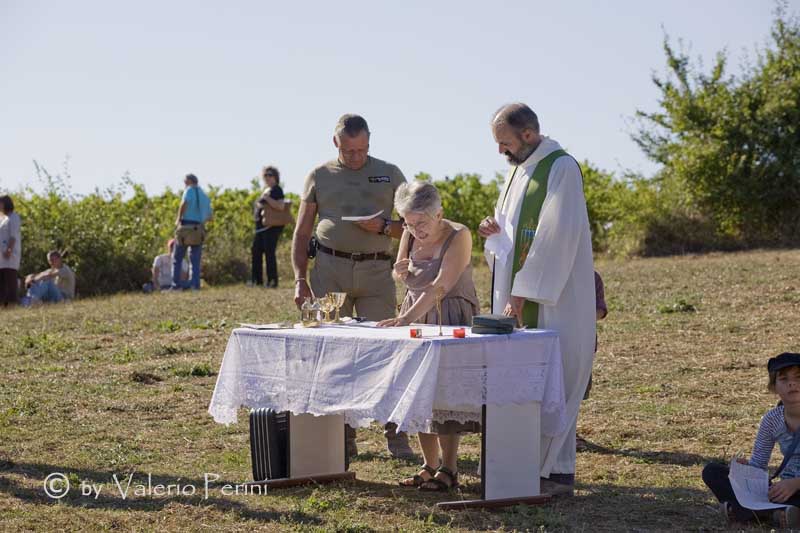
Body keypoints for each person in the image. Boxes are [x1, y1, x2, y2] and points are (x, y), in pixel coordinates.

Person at [478, 103, 596, 497]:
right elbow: (512, 237)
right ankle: (525, 467)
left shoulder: (561, 168)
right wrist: (492, 231)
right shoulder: (516, 170)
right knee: (522, 379)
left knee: (556, 379)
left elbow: (554, 239)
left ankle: (557, 472)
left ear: (527, 135)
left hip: (553, 300)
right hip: (517, 292)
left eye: (505, 142)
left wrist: (522, 292)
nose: (501, 152)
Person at [291, 113, 413, 459]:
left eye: (362, 150)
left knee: (387, 351)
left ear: (370, 142)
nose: (356, 157)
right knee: (333, 354)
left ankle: (396, 435)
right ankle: (341, 436)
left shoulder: (390, 173)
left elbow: (413, 226)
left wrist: (385, 226)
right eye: (349, 151)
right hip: (329, 271)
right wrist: (300, 279)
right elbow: (301, 232)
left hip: (377, 273)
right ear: (336, 144)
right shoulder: (319, 176)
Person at [377, 180, 480, 491]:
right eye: (408, 223)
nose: (414, 230)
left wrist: (406, 318)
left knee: (446, 394)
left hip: (448, 317)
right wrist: (401, 271)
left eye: (420, 223)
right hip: (415, 315)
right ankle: (428, 465)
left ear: (439, 214)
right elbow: (404, 274)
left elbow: (441, 285)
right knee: (418, 392)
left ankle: (449, 468)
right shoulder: (409, 231)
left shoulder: (459, 235)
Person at [702, 352, 800, 528]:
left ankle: (746, 512)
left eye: (798, 378)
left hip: (795, 487)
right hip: (780, 490)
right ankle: (778, 513)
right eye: (784, 379)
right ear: (774, 387)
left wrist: (795, 483)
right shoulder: (771, 420)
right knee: (712, 471)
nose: (791, 384)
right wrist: (744, 471)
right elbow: (759, 464)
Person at [173, 173, 212, 291]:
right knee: (195, 260)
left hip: (186, 226)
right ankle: (195, 285)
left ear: (189, 181)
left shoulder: (189, 190)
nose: (184, 185)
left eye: (185, 182)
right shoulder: (204, 195)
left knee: (177, 257)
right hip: (198, 228)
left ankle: (176, 285)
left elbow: (184, 203)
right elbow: (210, 216)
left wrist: (178, 219)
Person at [252, 166, 286, 288]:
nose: (267, 177)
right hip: (261, 227)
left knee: (269, 253)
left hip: (271, 227)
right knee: (256, 251)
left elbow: (280, 206)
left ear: (275, 177)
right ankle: (257, 280)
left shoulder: (277, 190)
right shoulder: (266, 189)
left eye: (270, 175)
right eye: (265, 175)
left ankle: (272, 281)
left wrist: (267, 199)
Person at [0, 195, 21, 307]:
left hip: (10, 255)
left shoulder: (14, 217)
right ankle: (3, 305)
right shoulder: (3, 218)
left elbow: (13, 236)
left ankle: (12, 304)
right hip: (1, 256)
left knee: (10, 280)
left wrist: (9, 250)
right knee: (2, 281)